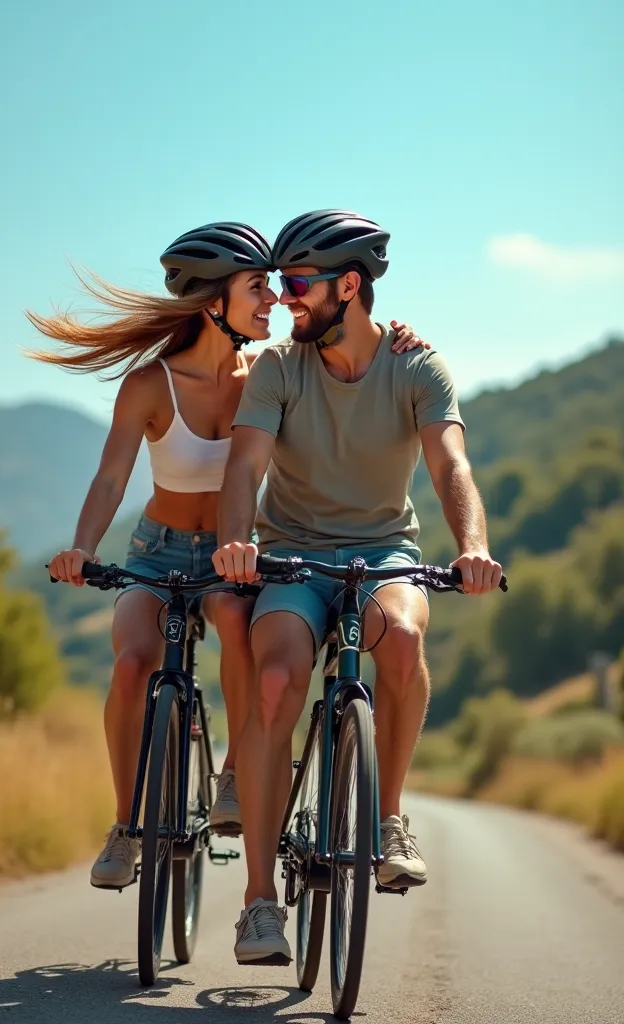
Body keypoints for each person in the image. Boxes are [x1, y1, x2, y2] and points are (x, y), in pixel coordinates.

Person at [27, 220, 427, 891]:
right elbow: (110, 477)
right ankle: (127, 828)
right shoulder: (150, 385)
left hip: (238, 553)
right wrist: (81, 548)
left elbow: (342, 363)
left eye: (277, 285)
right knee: (130, 665)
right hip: (157, 551)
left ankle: (237, 777)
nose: (273, 298)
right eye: (257, 287)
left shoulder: (266, 374)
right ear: (213, 301)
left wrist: (397, 338)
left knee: (241, 624)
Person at [212, 209, 504, 966]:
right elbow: (244, 467)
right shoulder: (279, 368)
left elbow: (450, 466)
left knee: (403, 641)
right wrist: (237, 541)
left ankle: (390, 820)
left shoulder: (418, 367)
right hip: (292, 556)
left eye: (300, 283)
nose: (287, 298)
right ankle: (258, 906)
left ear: (350, 285)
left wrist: (473, 548)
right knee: (277, 681)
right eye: (280, 284)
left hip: (383, 552)